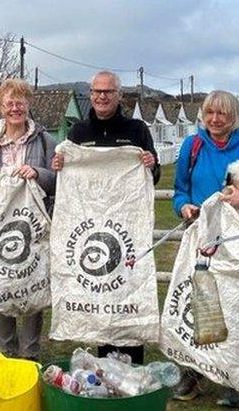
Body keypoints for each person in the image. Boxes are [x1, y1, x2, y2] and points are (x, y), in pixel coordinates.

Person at [170, 89, 239, 408]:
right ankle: (194, 373)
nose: (216, 119)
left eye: (223, 114)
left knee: (236, 308)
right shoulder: (192, 146)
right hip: (204, 236)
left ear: (235, 117)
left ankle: (234, 378)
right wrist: (184, 208)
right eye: (210, 113)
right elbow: (181, 190)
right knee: (202, 303)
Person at [51, 70, 159, 364]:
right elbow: (68, 173)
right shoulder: (78, 133)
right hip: (91, 226)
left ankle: (134, 364)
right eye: (97, 91)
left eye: (108, 92)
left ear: (119, 95)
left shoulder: (136, 130)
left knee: (126, 285)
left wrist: (151, 163)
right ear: (91, 94)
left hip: (126, 226)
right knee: (98, 290)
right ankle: (105, 365)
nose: (101, 96)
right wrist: (62, 165)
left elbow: (154, 175)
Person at [0, 78, 56, 359]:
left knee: (32, 284)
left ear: (28, 104)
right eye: (9, 102)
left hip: (32, 225)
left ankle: (30, 354)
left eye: (20, 102)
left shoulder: (45, 140)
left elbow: (58, 180)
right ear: (1, 106)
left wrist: (38, 173)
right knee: (2, 286)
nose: (15, 108)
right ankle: (7, 352)